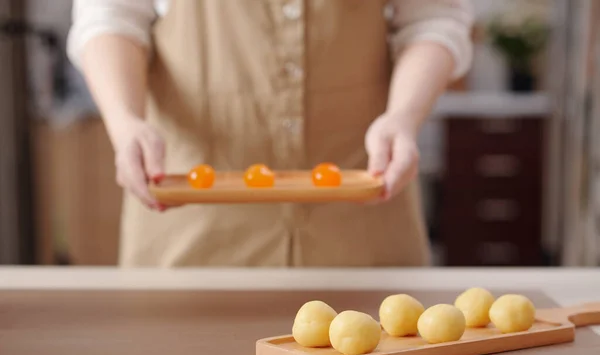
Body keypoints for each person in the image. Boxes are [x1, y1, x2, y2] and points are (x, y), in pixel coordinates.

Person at [67, 0, 474, 268]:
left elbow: (434, 18)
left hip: (362, 223)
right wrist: (125, 121)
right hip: (190, 230)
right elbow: (110, 16)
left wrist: (403, 116)